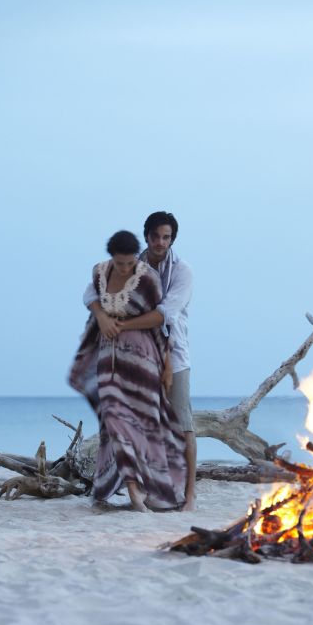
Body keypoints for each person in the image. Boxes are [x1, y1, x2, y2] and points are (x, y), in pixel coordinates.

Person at [83, 211, 196, 510]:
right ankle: (147, 491)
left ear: (172, 239)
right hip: (133, 357)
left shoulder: (182, 271)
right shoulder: (132, 264)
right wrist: (103, 317)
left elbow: (164, 314)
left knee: (182, 424)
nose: (160, 242)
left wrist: (118, 325)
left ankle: (190, 495)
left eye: (166, 237)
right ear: (146, 235)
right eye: (156, 236)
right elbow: (90, 294)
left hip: (174, 354)